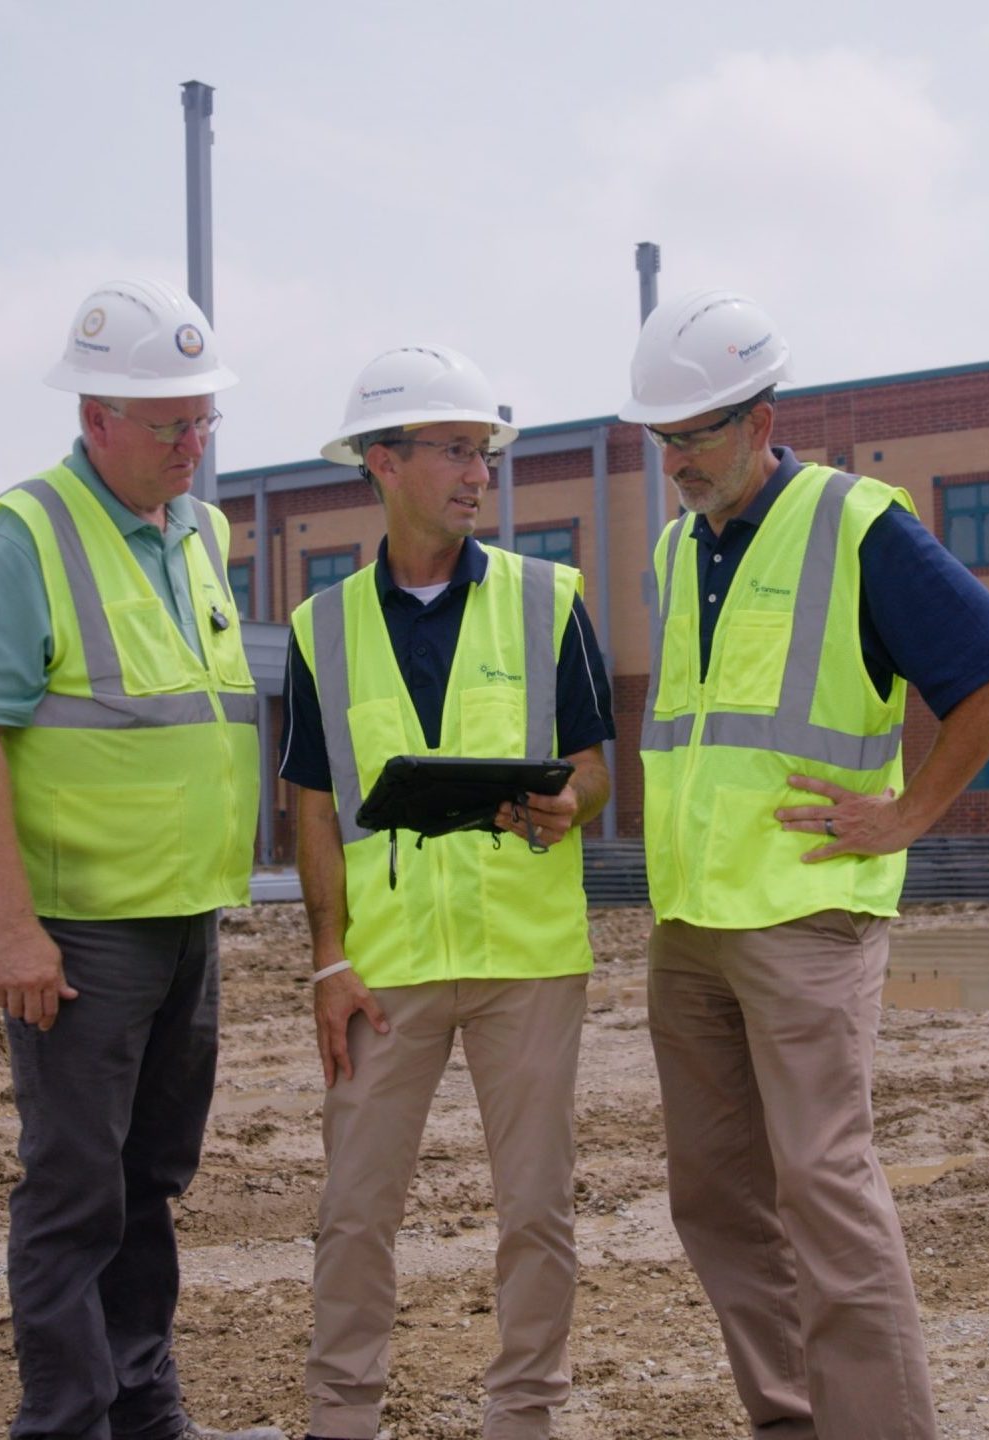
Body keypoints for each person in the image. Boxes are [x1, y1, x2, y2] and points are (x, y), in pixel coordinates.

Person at [620, 290, 989, 1440]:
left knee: (823, 1189)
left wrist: (909, 812)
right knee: (713, 1197)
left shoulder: (857, 524)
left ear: (762, 419)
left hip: (807, 920)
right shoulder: (674, 548)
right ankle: (791, 1419)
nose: (677, 463)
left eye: (696, 434)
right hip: (690, 926)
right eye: (661, 441)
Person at [0, 278, 284, 1440]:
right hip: (81, 936)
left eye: (203, 420)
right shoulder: (19, 540)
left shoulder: (197, 530)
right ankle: (68, 1423)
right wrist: (11, 927)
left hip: (185, 920)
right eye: (170, 424)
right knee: (77, 1193)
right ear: (96, 419)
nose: (195, 444)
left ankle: (147, 1415)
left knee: (149, 1185)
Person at [280, 343, 615, 1440]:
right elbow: (313, 807)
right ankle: (343, 1419)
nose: (479, 474)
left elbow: (597, 765)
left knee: (537, 1212)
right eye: (456, 451)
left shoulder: (546, 600)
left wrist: (569, 801)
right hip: (383, 970)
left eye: (486, 454)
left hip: (526, 959)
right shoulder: (319, 629)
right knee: (354, 1212)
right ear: (384, 461)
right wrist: (328, 962)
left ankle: (524, 1418)